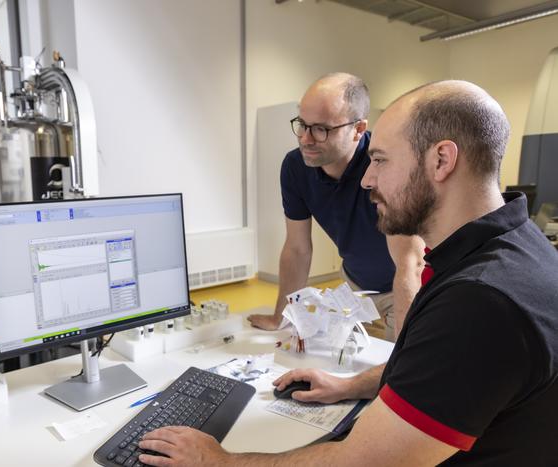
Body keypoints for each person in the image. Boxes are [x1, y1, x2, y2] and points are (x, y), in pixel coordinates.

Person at [137, 80, 558, 465]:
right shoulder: (512, 248)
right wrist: (351, 385)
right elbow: (440, 374)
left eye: (380, 160)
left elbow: (360, 462)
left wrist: (221, 462)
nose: (367, 179)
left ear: (442, 160)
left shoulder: (478, 302)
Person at [247, 73, 424, 340]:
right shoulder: (296, 167)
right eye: (302, 125)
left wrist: (404, 350)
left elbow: (410, 262)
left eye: (321, 129)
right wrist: (280, 316)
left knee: (395, 369)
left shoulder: (387, 167)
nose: (306, 139)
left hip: (403, 286)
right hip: (355, 286)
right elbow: (297, 248)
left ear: (358, 129)